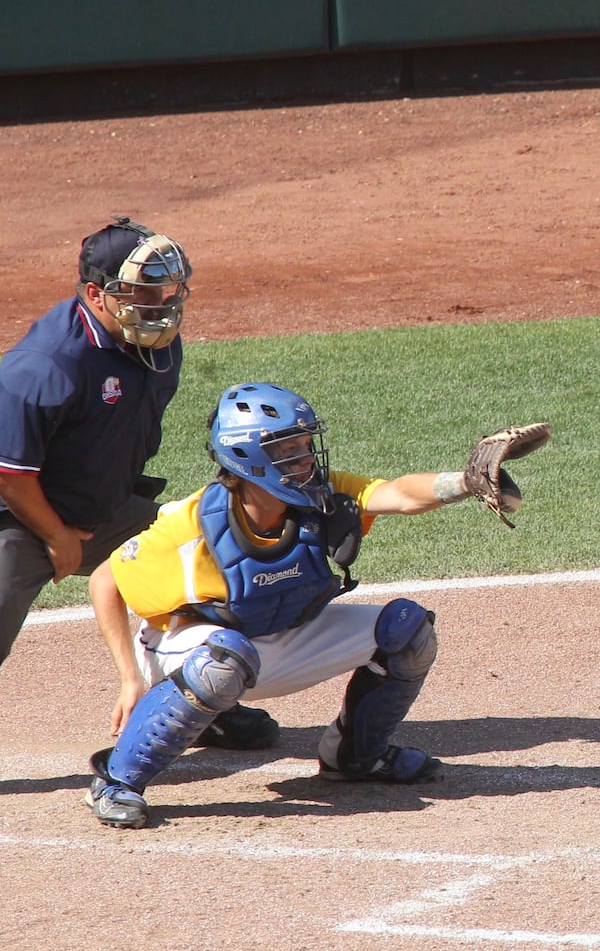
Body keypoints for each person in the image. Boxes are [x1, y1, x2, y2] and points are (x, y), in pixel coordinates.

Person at [83, 381, 547, 828]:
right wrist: (128, 678)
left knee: (407, 630)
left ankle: (355, 757)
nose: (306, 459)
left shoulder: (320, 497)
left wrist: (464, 482)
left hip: (279, 638)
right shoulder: (189, 528)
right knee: (223, 661)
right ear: (248, 457)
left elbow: (400, 495)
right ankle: (117, 779)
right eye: (289, 450)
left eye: (305, 445)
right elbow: (106, 578)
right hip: (188, 651)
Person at [0, 217, 277, 749]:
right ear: (95, 294)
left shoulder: (156, 345)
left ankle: (202, 700)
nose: (162, 302)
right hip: (18, 516)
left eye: (168, 288)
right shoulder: (45, 364)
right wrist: (56, 536)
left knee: (205, 564)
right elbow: (10, 474)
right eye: (144, 291)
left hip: (107, 508)